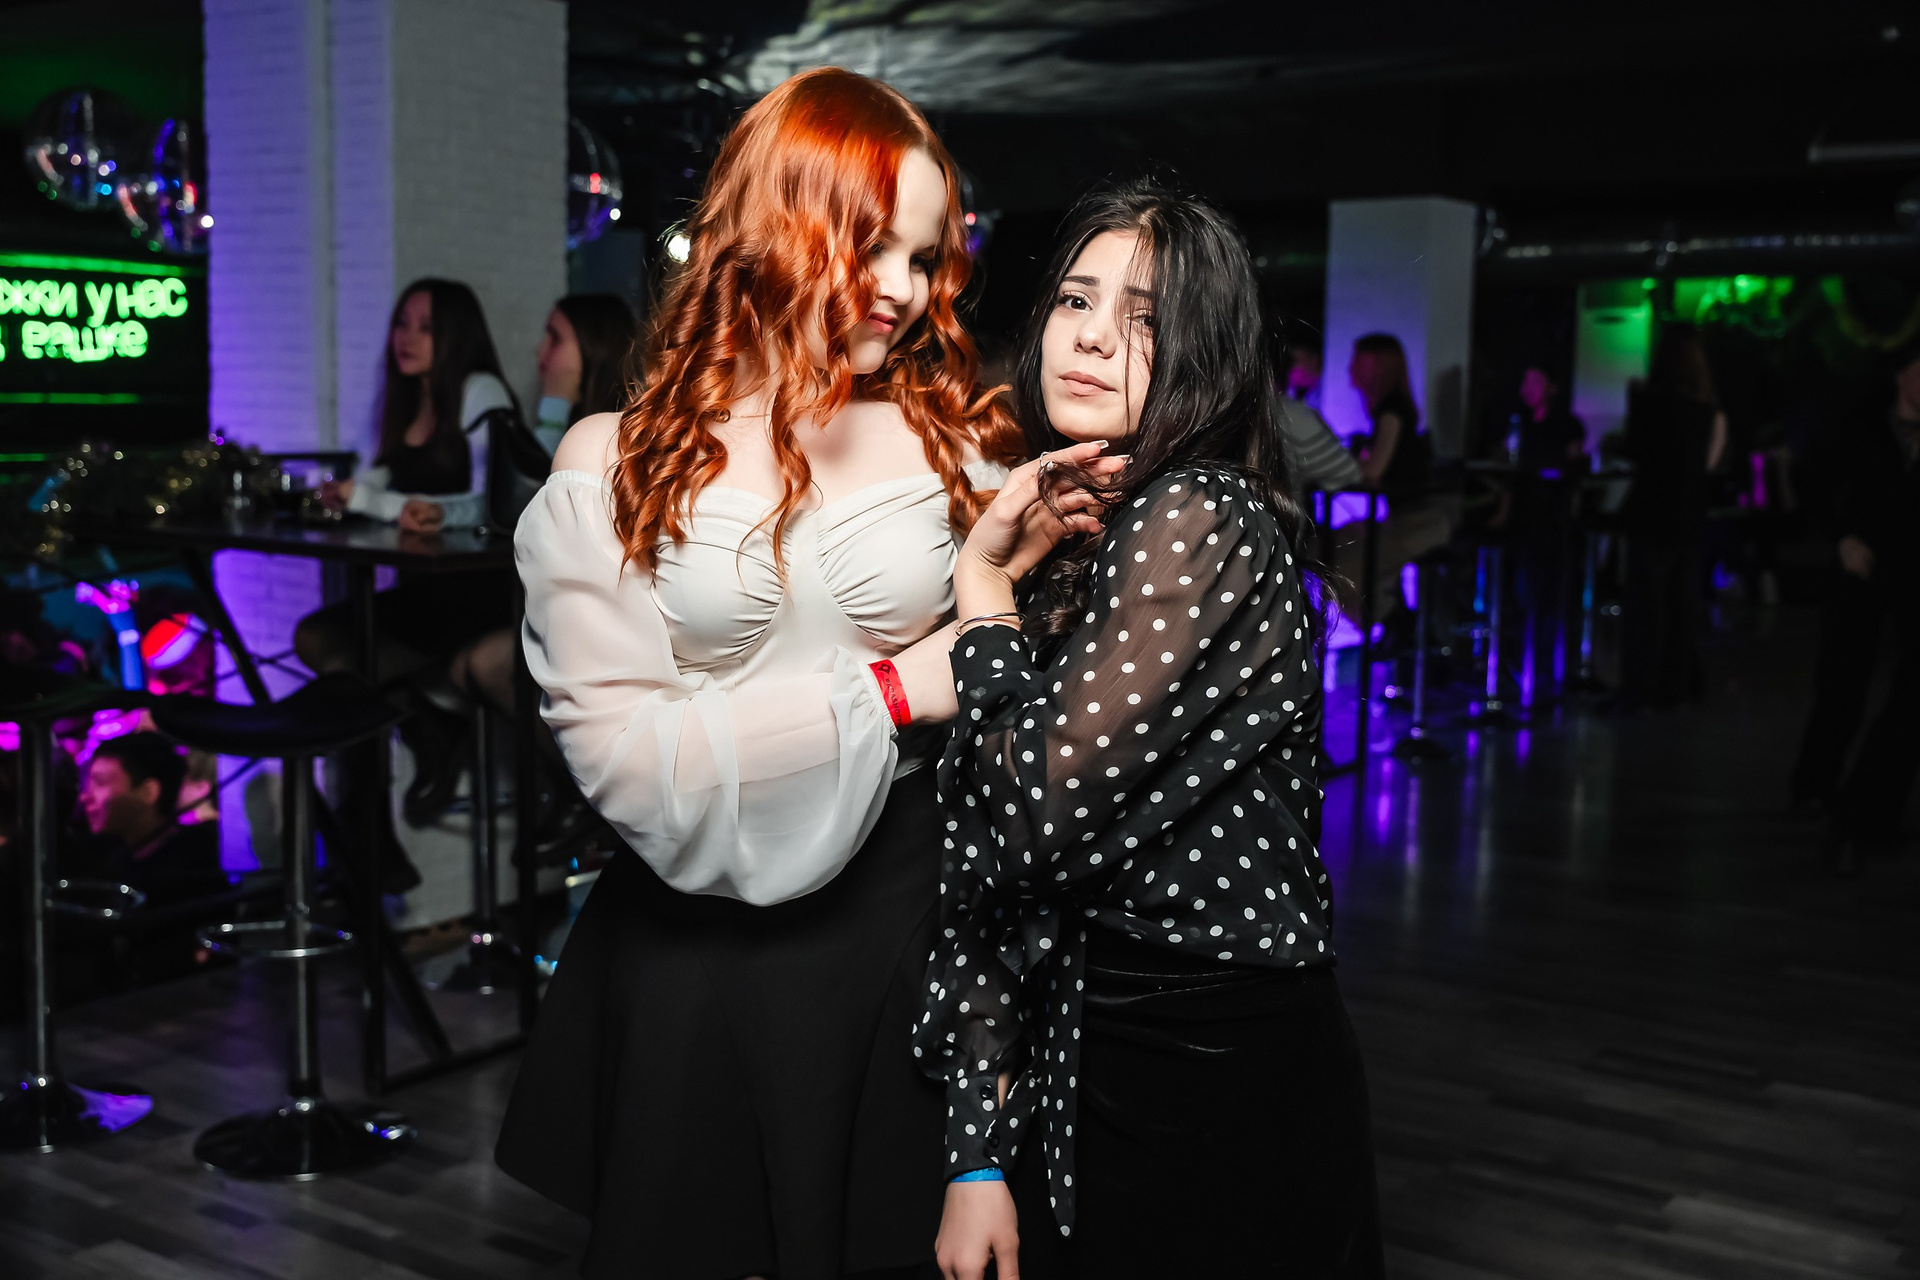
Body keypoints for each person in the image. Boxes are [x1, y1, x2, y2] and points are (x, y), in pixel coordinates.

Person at [494, 68, 1029, 1279]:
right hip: (697, 953)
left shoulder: (961, 442)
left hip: (905, 929)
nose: (904, 288)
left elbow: (1022, 709)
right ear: (779, 221)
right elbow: (632, 766)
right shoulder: (612, 461)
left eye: (923, 257)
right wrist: (893, 690)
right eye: (872, 245)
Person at [922, 178, 1383, 1279]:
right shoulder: (1085, 528)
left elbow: (1023, 819)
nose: (1091, 338)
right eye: (1076, 300)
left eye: (1145, 319)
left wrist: (980, 588)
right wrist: (975, 1154)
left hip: (1210, 1073)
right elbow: (988, 883)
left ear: (1203, 357)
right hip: (1092, 1053)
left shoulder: (1196, 516)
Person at [292, 279, 522, 885]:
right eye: (402, 323)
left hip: (476, 594)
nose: (407, 338)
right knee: (320, 641)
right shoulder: (405, 404)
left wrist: (387, 504)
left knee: (349, 664)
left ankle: (366, 832)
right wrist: (348, 494)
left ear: (456, 336)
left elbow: (493, 500)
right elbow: (380, 482)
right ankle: (417, 732)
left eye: (425, 327)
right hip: (426, 596)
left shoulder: (480, 390)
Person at [404, 293, 637, 826]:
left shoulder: (619, 430)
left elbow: (528, 501)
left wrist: (553, 406)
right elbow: (510, 501)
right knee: (460, 659)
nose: (539, 352)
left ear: (593, 349)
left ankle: (596, 805)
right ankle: (578, 802)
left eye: (555, 339)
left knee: (481, 662)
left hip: (616, 621)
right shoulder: (568, 422)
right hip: (561, 611)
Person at [1791, 339, 1920, 864]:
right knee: (1843, 683)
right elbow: (1817, 484)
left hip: (1912, 573)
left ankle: (1868, 811)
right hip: (1861, 567)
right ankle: (1815, 784)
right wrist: (1842, 537)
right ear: (1902, 376)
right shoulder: (1862, 427)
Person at [1618, 324, 1727, 708]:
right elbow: (1709, 465)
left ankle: (1638, 690)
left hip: (1652, 515)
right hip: (1689, 517)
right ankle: (1672, 689)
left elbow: (1634, 451)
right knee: (1680, 606)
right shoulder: (1707, 411)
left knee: (1645, 607)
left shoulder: (1650, 402)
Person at [1334, 332, 1449, 621]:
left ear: (1376, 365)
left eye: (1357, 360)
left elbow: (1374, 470)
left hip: (1419, 521)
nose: (1350, 368)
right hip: (1412, 517)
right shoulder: (1396, 409)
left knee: (1340, 565)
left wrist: (1333, 462)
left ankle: (1391, 623)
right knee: (1337, 550)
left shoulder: (1391, 411)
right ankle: (1394, 622)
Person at [74, 732, 224, 908]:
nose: (85, 797)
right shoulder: (109, 861)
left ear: (148, 792)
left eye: (100, 783)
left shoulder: (195, 870)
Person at [1278, 337, 1362, 491]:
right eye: (1293, 361)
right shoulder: (1290, 412)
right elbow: (1348, 471)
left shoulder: (1290, 409)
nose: (1296, 369)